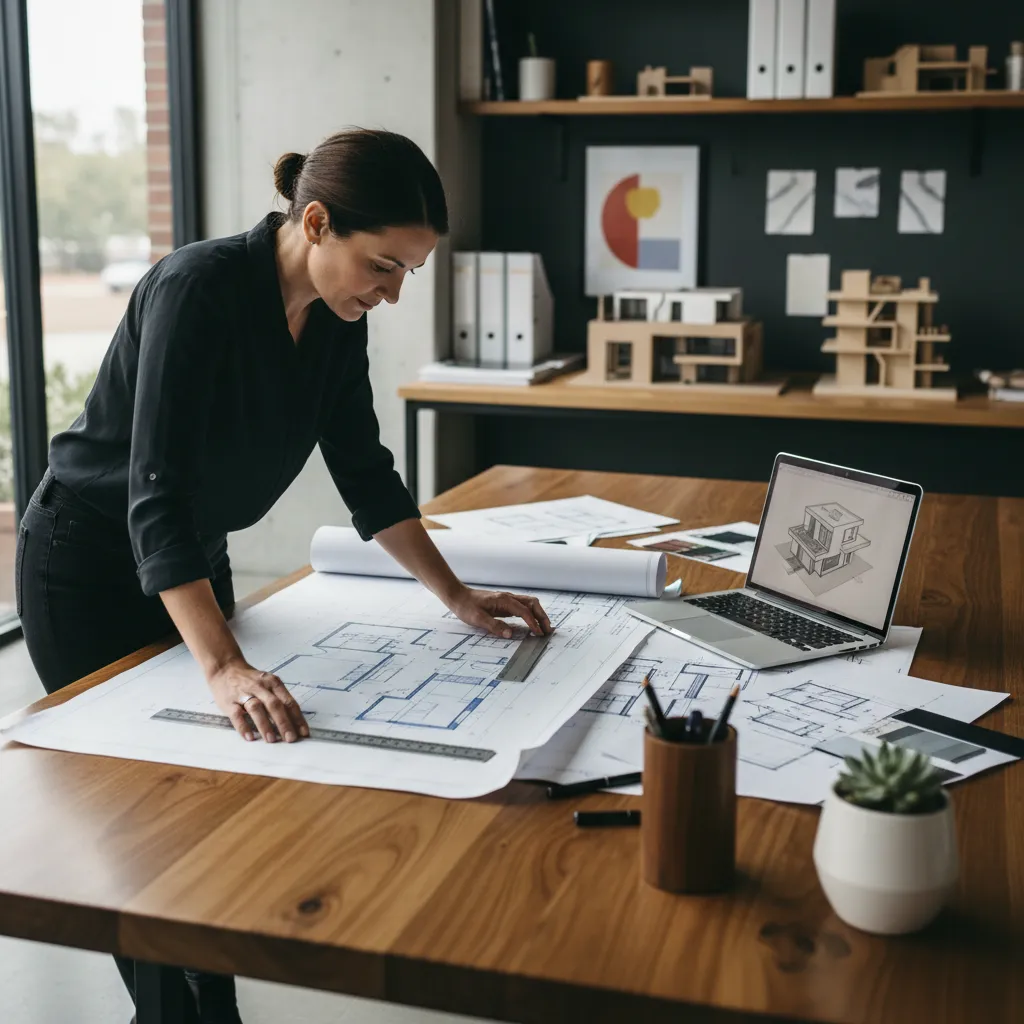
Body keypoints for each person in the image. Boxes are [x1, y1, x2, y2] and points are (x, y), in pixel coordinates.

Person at [15, 128, 551, 1024]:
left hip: (193, 555)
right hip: (87, 563)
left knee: (208, 809)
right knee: (142, 828)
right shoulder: (196, 287)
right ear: (316, 223)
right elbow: (154, 494)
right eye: (384, 266)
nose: (391, 293)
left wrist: (455, 595)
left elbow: (366, 472)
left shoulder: (339, 321)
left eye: (407, 273)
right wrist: (223, 664)